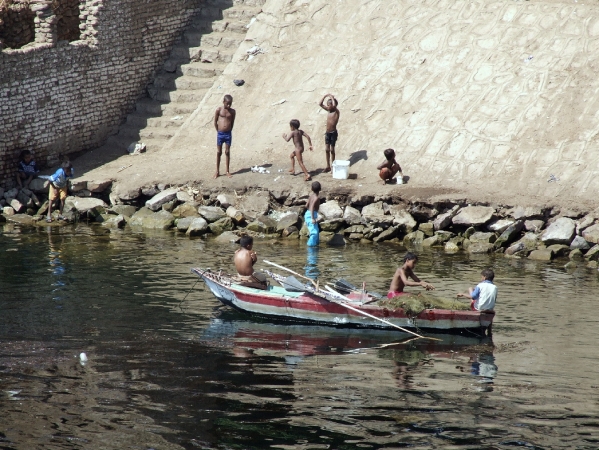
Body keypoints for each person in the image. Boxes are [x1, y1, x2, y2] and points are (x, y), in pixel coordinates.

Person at [213, 94, 236, 178]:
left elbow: (232, 122)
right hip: (220, 133)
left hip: (228, 134)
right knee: (219, 152)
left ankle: (227, 171)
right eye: (227, 103)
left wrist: (228, 130)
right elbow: (215, 122)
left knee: (227, 152)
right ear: (223, 102)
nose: (229, 105)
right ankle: (217, 171)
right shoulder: (219, 110)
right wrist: (218, 130)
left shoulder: (232, 112)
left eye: (230, 103)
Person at [319, 93, 340, 172]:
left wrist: (331, 96)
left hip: (333, 133)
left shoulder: (336, 112)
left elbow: (334, 105)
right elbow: (320, 104)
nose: (327, 106)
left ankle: (333, 165)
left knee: (332, 150)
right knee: (327, 149)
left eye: (329, 105)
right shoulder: (329, 111)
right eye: (327, 105)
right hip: (327, 133)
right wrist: (324, 96)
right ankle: (328, 166)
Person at [304, 181, 321, 247]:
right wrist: (313, 218)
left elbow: (306, 205)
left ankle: (315, 245)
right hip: (312, 215)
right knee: (314, 232)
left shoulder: (311, 196)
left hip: (307, 213)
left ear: (311, 189)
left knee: (316, 230)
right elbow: (311, 207)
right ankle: (310, 246)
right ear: (320, 189)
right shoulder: (316, 198)